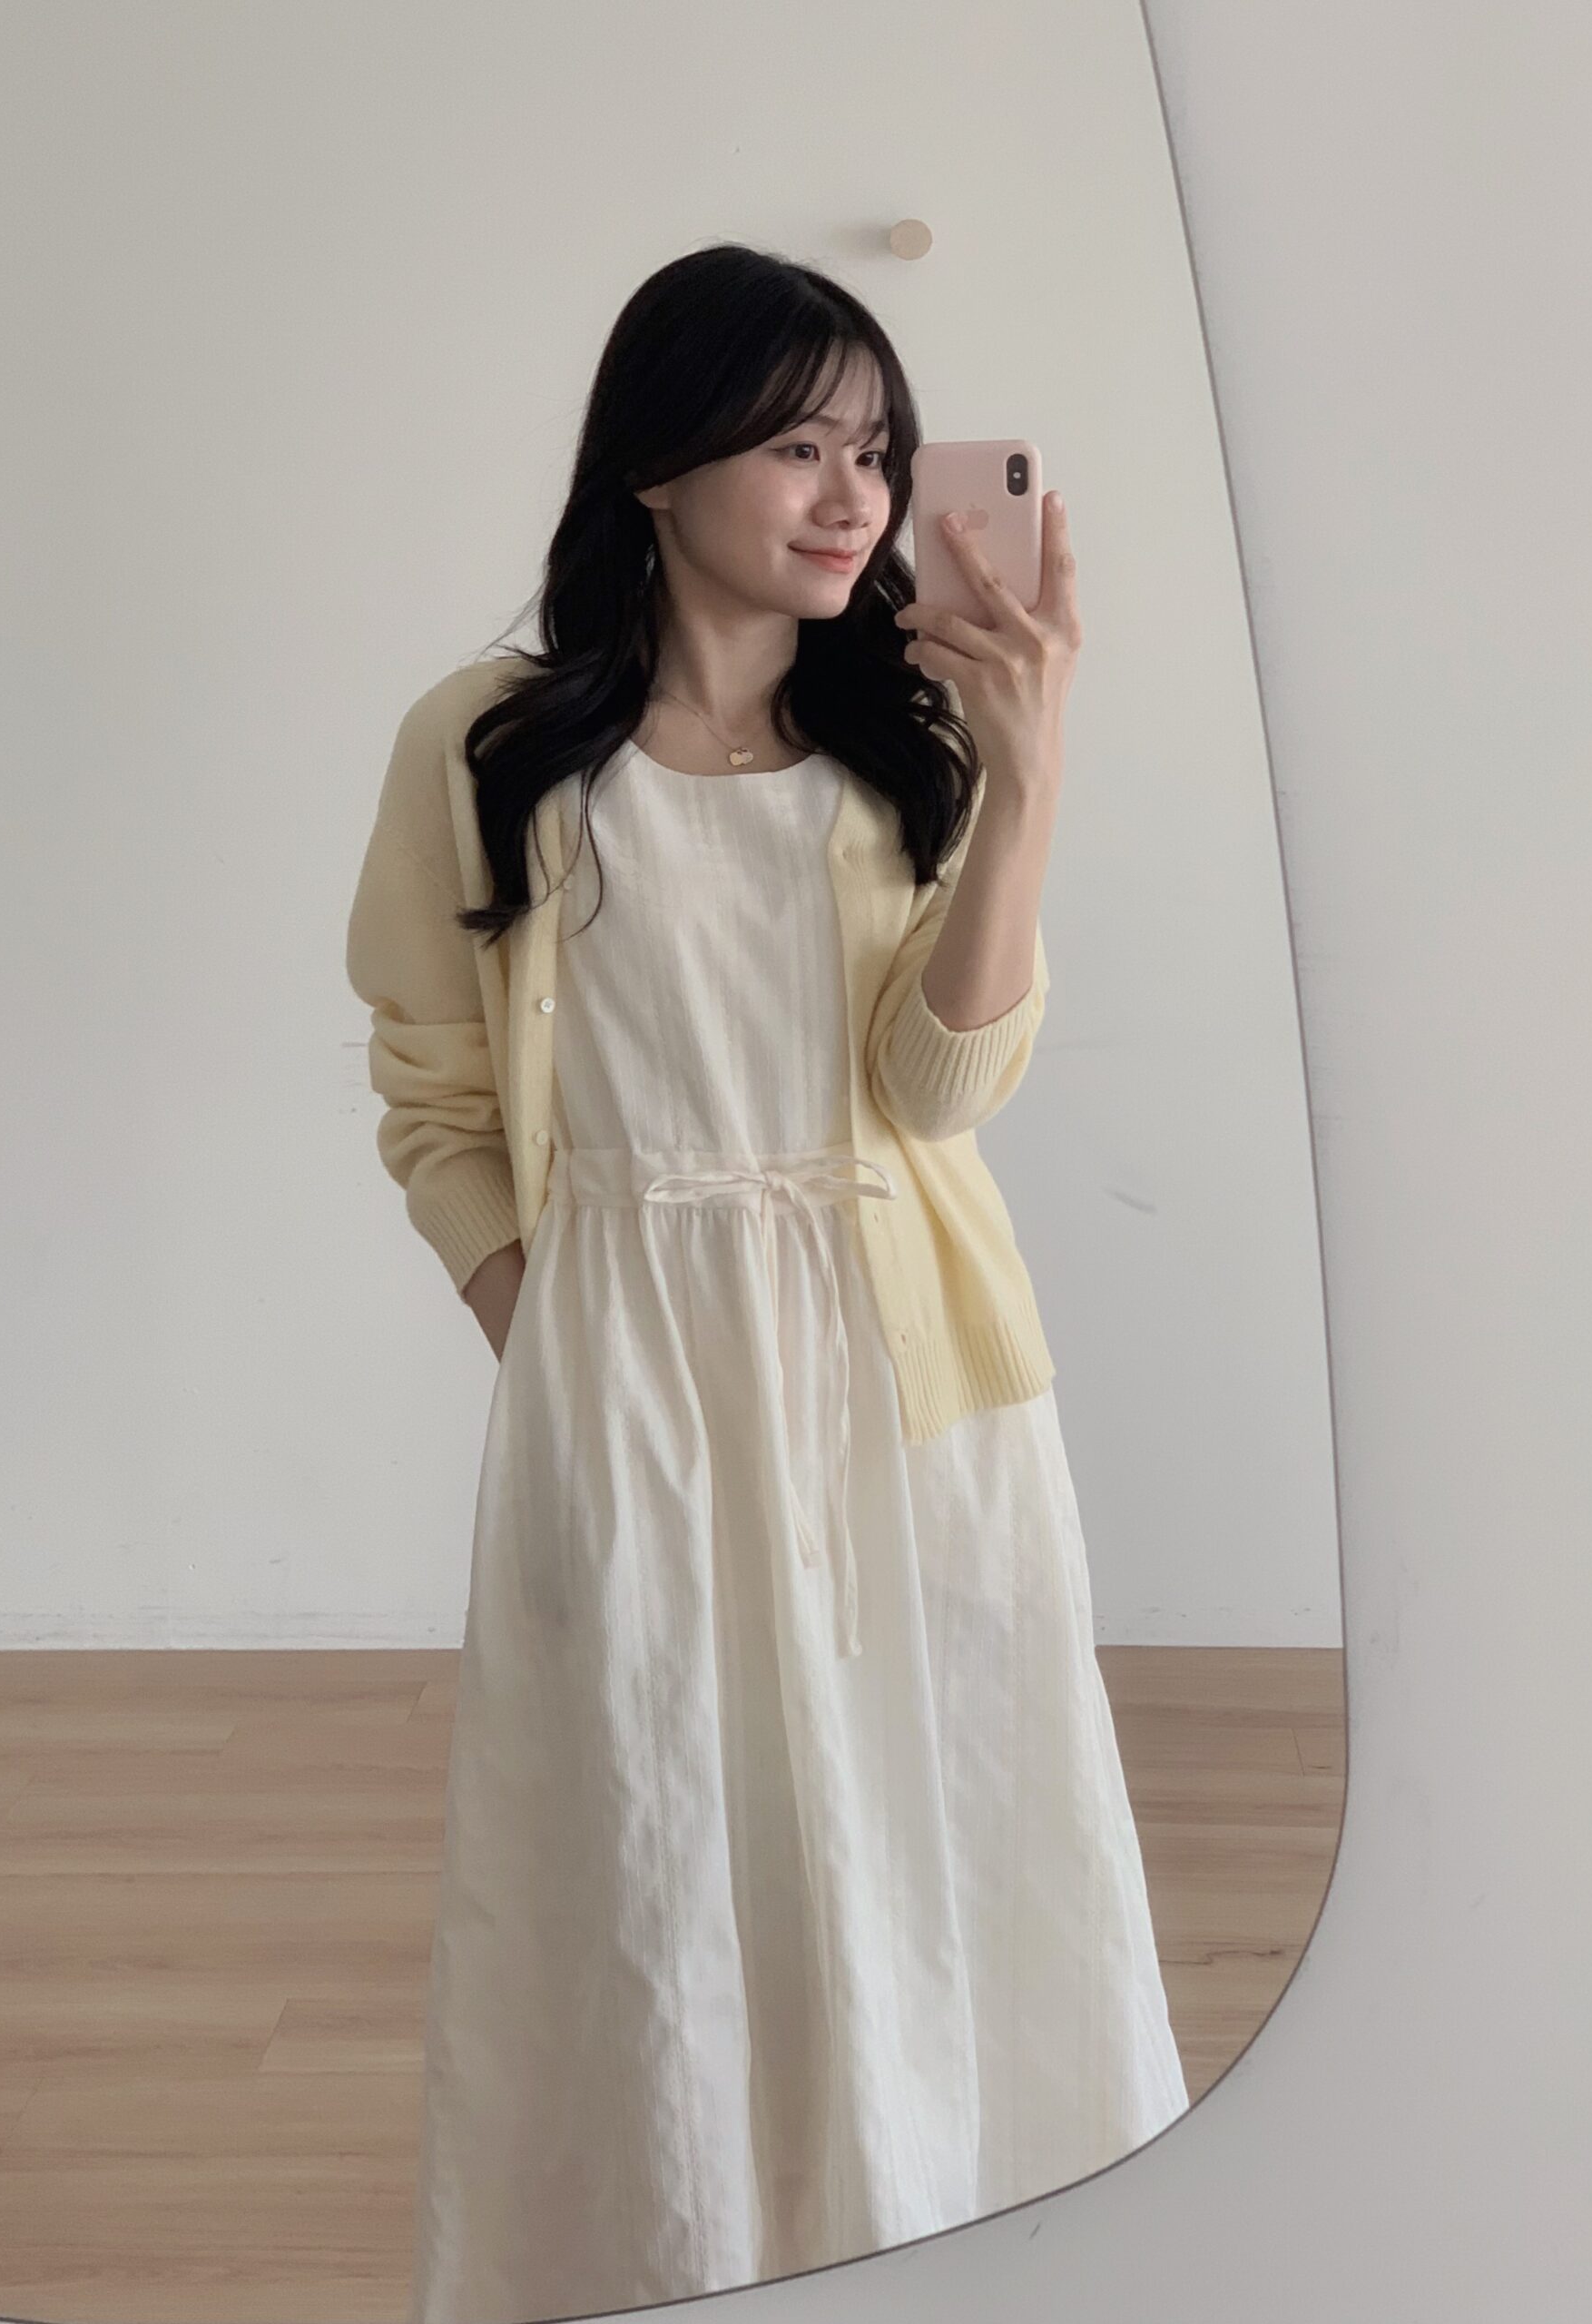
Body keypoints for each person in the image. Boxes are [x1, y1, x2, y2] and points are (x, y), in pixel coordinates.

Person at [346, 241, 1189, 2324]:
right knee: (647, 1854)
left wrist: (1030, 770)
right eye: (800, 445)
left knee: (926, 1829)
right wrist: (540, 1326)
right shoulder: (485, 743)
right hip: (626, 1368)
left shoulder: (911, 735)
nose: (854, 497)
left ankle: (950, 2246)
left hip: (907, 1382)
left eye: (879, 453)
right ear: (656, 463)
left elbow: (943, 1088)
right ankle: (671, 2265)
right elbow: (431, 1083)